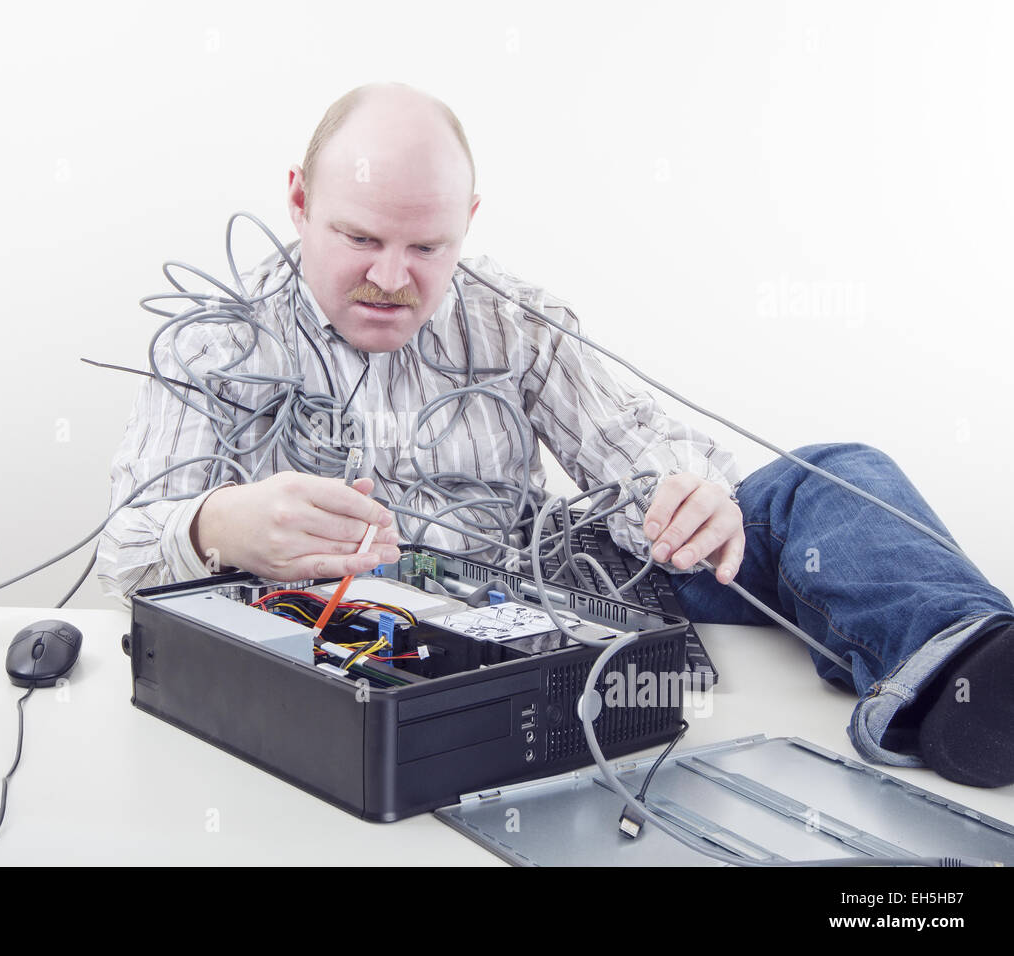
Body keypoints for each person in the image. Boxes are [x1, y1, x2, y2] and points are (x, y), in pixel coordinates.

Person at [96, 82, 1014, 788]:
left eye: (427, 249)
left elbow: (639, 448)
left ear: (469, 224)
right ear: (298, 201)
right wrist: (219, 525)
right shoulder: (215, 340)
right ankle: (931, 681)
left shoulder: (511, 318)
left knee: (836, 476)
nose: (391, 277)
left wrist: (678, 494)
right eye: (359, 237)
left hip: (547, 583)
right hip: (348, 635)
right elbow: (121, 551)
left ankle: (961, 668)